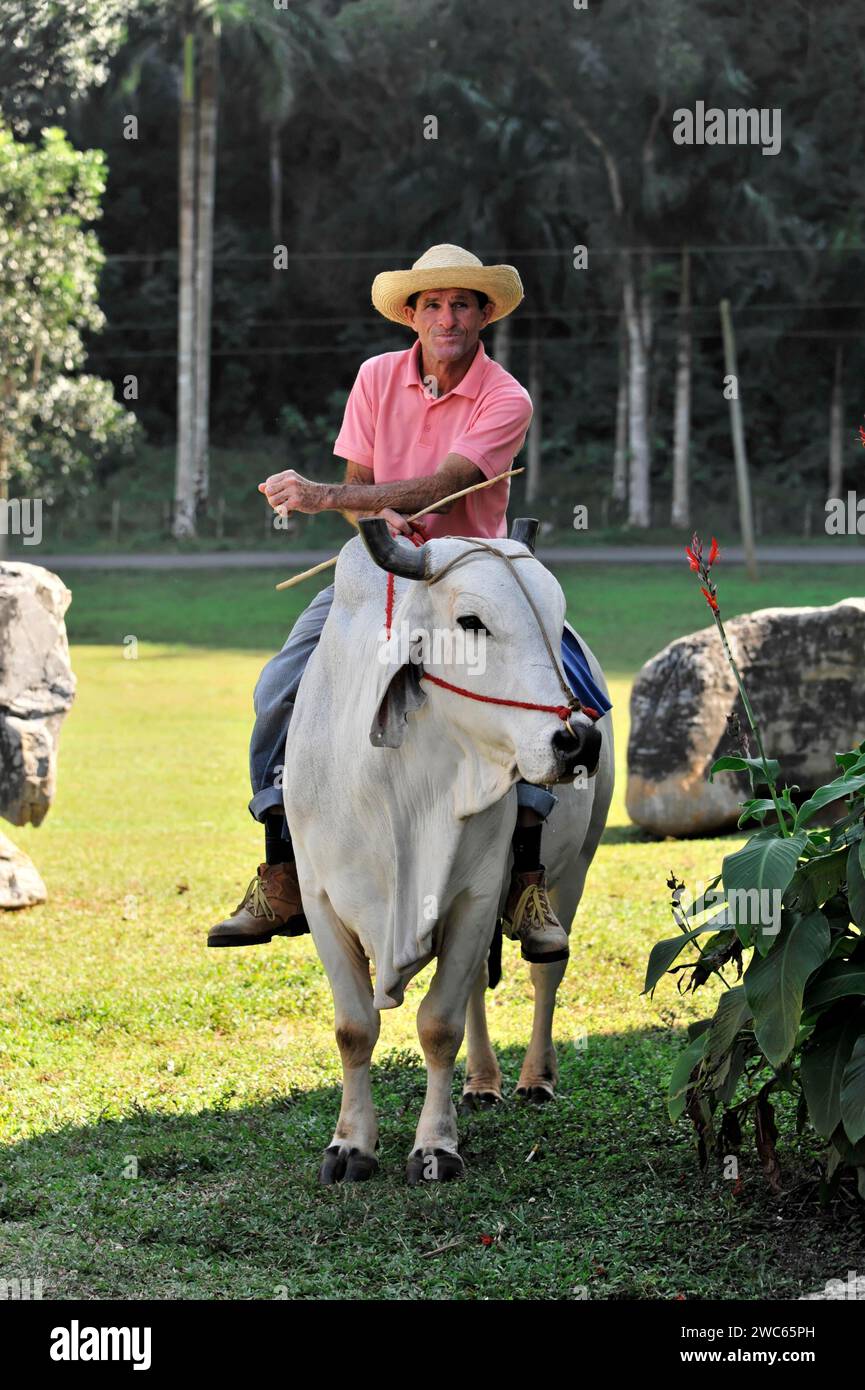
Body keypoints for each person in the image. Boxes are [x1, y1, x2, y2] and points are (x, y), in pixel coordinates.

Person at [208, 243, 611, 962]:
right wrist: (366, 517)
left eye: (462, 303)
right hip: (380, 568)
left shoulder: (504, 396)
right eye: (432, 304)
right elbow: (365, 481)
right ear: (410, 315)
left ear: (484, 314)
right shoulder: (373, 377)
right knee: (277, 688)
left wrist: (327, 497)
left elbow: (435, 486)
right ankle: (282, 867)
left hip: (472, 579)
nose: (447, 317)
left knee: (546, 700)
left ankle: (525, 880)